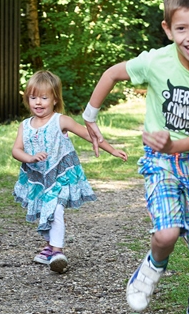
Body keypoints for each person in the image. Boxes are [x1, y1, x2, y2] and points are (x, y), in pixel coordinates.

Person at [83, 0, 189, 314]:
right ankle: (153, 265)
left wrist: (176, 145)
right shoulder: (156, 61)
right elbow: (111, 74)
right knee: (166, 232)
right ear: (168, 29)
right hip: (161, 161)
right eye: (182, 28)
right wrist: (90, 116)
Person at [12, 71, 127, 273]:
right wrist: (29, 158)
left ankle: (57, 251)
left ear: (55, 99)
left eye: (44, 98)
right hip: (38, 179)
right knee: (43, 211)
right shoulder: (25, 126)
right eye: (33, 97)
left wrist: (112, 150)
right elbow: (16, 150)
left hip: (59, 176)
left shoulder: (60, 120)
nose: (38, 102)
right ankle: (49, 246)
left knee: (56, 209)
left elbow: (88, 134)